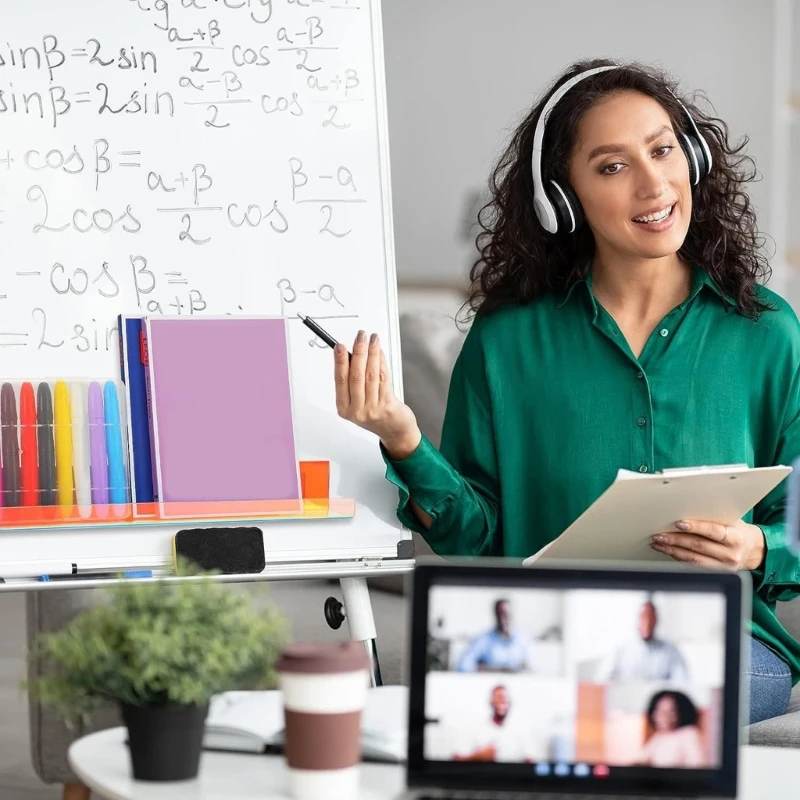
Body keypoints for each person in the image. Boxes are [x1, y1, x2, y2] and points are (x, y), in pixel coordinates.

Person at [332, 58, 800, 725]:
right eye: (612, 166)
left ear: (691, 158)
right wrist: (403, 439)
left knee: (638, 705)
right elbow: (477, 538)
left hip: (717, 646)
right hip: (552, 643)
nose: (653, 183)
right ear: (562, 198)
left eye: (663, 150)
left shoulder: (767, 333)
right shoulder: (507, 340)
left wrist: (757, 547)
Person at [594, 600, 688, 681]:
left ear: (656, 621)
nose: (647, 623)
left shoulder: (670, 650)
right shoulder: (622, 649)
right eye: (643, 618)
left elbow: (681, 681)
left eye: (651, 618)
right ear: (638, 620)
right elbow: (602, 678)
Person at [452, 685, 545, 762]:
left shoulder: (521, 730)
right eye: (498, 698)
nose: (501, 701)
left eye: (504, 699)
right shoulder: (475, 726)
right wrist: (478, 756)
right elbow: (456, 758)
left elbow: (531, 759)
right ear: (491, 702)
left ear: (509, 703)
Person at [636, 690, 706, 768]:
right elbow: (642, 760)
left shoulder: (689, 734)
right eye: (659, 710)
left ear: (682, 712)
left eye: (671, 711)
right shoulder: (659, 736)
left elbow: (698, 768)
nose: (664, 715)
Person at [456, 598, 529, 672]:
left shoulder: (523, 639)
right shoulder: (483, 640)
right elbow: (463, 666)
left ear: (512, 615)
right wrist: (496, 670)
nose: (503, 619)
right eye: (499, 615)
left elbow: (531, 669)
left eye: (506, 614)